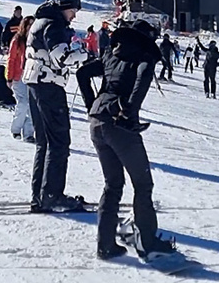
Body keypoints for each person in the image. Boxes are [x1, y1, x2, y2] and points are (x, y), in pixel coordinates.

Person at [76, 20, 176, 262]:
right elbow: (141, 82)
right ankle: (148, 243)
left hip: (97, 122)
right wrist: (128, 111)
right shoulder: (143, 56)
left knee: (113, 184)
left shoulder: (113, 52)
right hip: (119, 125)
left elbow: (82, 72)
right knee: (143, 184)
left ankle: (106, 244)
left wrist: (92, 104)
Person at [24, 0, 89, 212]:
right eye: (73, 11)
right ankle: (52, 194)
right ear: (64, 8)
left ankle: (40, 195)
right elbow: (62, 57)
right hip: (48, 85)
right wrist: (83, 55)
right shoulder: (53, 25)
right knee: (59, 141)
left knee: (44, 142)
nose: (73, 16)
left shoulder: (39, 22)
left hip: (35, 84)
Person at [7, 16, 36, 142]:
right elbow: (11, 59)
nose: (30, 27)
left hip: (32, 76)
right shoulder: (17, 40)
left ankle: (29, 133)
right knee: (23, 103)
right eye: (28, 25)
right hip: (19, 75)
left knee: (32, 106)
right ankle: (16, 128)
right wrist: (9, 77)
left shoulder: (36, 40)